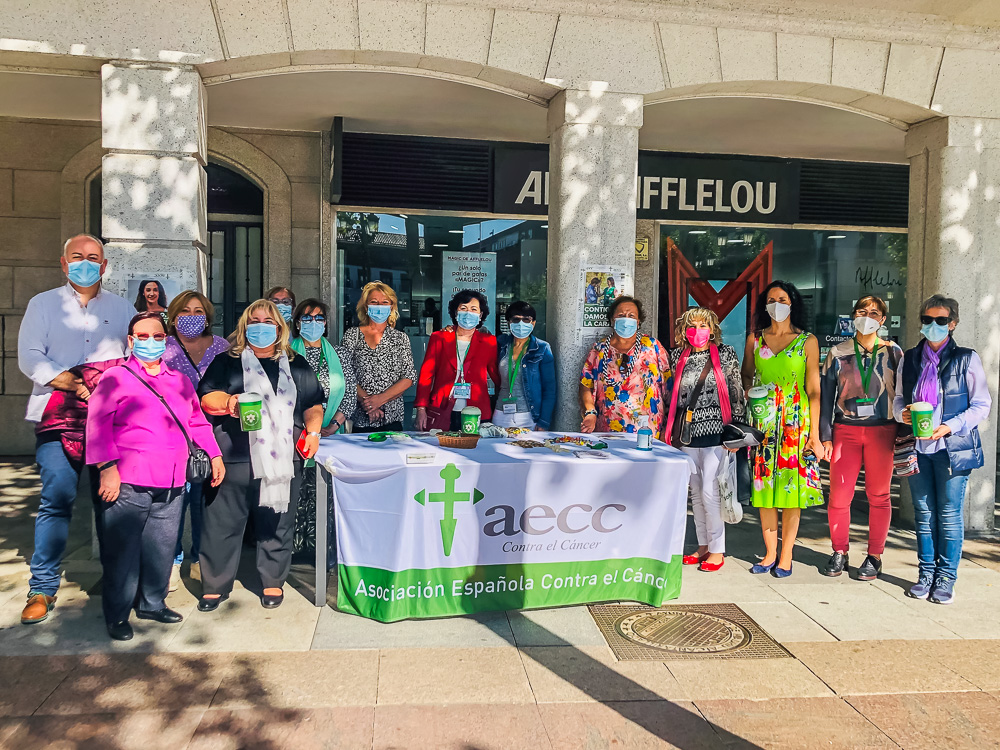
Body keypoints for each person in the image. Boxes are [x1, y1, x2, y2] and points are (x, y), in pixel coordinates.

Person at [16, 234, 134, 625]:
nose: (86, 263)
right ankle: (42, 587)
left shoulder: (121, 309)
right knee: (57, 499)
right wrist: (72, 382)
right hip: (57, 417)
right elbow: (30, 356)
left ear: (104, 266)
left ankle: (117, 586)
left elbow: (133, 359)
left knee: (111, 503)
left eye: (94, 258)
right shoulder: (43, 305)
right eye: (78, 257)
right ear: (64, 263)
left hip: (110, 423)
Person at [86, 312, 225, 640]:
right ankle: (118, 614)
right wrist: (106, 470)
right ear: (131, 341)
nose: (151, 343)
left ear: (166, 340)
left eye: (158, 337)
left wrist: (215, 454)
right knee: (123, 551)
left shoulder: (178, 380)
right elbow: (97, 425)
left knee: (161, 548)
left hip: (174, 480)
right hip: (128, 480)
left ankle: (151, 602)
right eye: (143, 337)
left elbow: (196, 422)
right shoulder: (115, 378)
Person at [197, 300, 325, 610]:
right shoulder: (227, 360)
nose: (261, 326)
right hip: (234, 456)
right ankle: (214, 586)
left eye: (268, 321)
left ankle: (272, 582)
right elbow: (206, 397)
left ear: (279, 328)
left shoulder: (296, 364)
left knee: (277, 523)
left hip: (284, 459)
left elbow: (313, 404)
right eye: (254, 321)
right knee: (222, 524)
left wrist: (314, 431)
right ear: (244, 327)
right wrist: (230, 403)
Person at [894, 294, 992, 604]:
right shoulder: (910, 358)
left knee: (949, 515)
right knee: (924, 514)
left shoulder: (966, 358)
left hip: (952, 448)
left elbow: (982, 405)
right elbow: (898, 399)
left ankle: (945, 579)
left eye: (940, 320)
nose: (933, 326)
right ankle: (925, 574)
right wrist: (902, 414)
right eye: (927, 320)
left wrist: (950, 426)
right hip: (918, 447)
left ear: (952, 324)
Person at [741, 281, 825, 578]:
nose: (777, 303)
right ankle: (769, 552)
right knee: (764, 490)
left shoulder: (807, 341)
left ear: (793, 303)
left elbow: (813, 389)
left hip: (795, 424)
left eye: (782, 298)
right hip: (764, 423)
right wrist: (754, 395)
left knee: (791, 492)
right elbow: (746, 375)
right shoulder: (755, 339)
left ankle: (787, 554)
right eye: (771, 299)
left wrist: (814, 435)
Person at [820, 296, 903, 580]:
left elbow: (904, 395)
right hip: (846, 430)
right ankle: (839, 550)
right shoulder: (838, 352)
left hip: (883, 430)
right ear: (853, 315)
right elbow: (826, 397)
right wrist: (825, 435)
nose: (866, 316)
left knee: (879, 496)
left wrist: (904, 434)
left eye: (874, 313)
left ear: (882, 319)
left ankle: (875, 555)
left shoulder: (893, 352)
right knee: (839, 496)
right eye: (861, 311)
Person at [666, 307, 745, 572]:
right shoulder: (677, 356)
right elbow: (672, 397)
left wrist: (735, 431)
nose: (697, 331)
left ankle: (717, 550)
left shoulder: (725, 353)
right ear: (683, 330)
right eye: (692, 326)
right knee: (696, 493)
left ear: (712, 329)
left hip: (716, 433)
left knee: (711, 492)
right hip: (686, 435)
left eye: (702, 326)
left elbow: (736, 390)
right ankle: (702, 546)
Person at [163, 290, 230, 591]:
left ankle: (201, 559)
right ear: (174, 317)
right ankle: (172, 561)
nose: (192, 317)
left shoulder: (221, 347)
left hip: (214, 436)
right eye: (186, 312)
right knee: (175, 503)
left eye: (198, 311)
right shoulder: (162, 348)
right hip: (174, 438)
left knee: (207, 504)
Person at [289, 298, 357, 556]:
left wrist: (334, 423)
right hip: (295, 436)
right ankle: (296, 552)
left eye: (319, 318)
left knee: (326, 494)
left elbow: (349, 392)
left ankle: (324, 551)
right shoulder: (286, 352)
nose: (313, 323)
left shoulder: (338, 354)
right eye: (307, 318)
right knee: (297, 495)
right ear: (297, 323)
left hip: (331, 435)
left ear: (326, 324)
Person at [579, 296, 670, 435]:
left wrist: (669, 427)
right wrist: (590, 412)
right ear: (612, 320)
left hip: (648, 431)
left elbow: (669, 386)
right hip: (607, 430)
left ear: (638, 322)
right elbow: (586, 384)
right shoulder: (599, 350)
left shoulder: (653, 347)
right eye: (621, 315)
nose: (626, 319)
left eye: (631, 316)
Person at [415, 289, 500, 431]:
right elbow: (426, 376)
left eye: (474, 309)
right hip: (442, 408)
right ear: (456, 312)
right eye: (463, 308)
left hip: (476, 410)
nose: (468, 313)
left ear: (480, 315)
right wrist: (421, 409)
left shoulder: (489, 341)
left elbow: (496, 375)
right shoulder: (439, 338)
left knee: (475, 451)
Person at [341, 282, 416, 432]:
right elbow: (345, 374)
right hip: (361, 418)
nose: (379, 306)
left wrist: (380, 399)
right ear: (366, 307)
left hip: (392, 417)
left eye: (384, 302)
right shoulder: (352, 335)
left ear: (392, 307)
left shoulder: (400, 338)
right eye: (374, 302)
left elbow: (408, 377)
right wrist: (369, 405)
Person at [494, 301, 556, 430]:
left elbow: (549, 389)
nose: (521, 324)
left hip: (528, 416)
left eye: (526, 320)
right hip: (500, 414)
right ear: (509, 322)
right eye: (516, 319)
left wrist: (544, 422)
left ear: (533, 323)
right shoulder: (500, 344)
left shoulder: (542, 348)